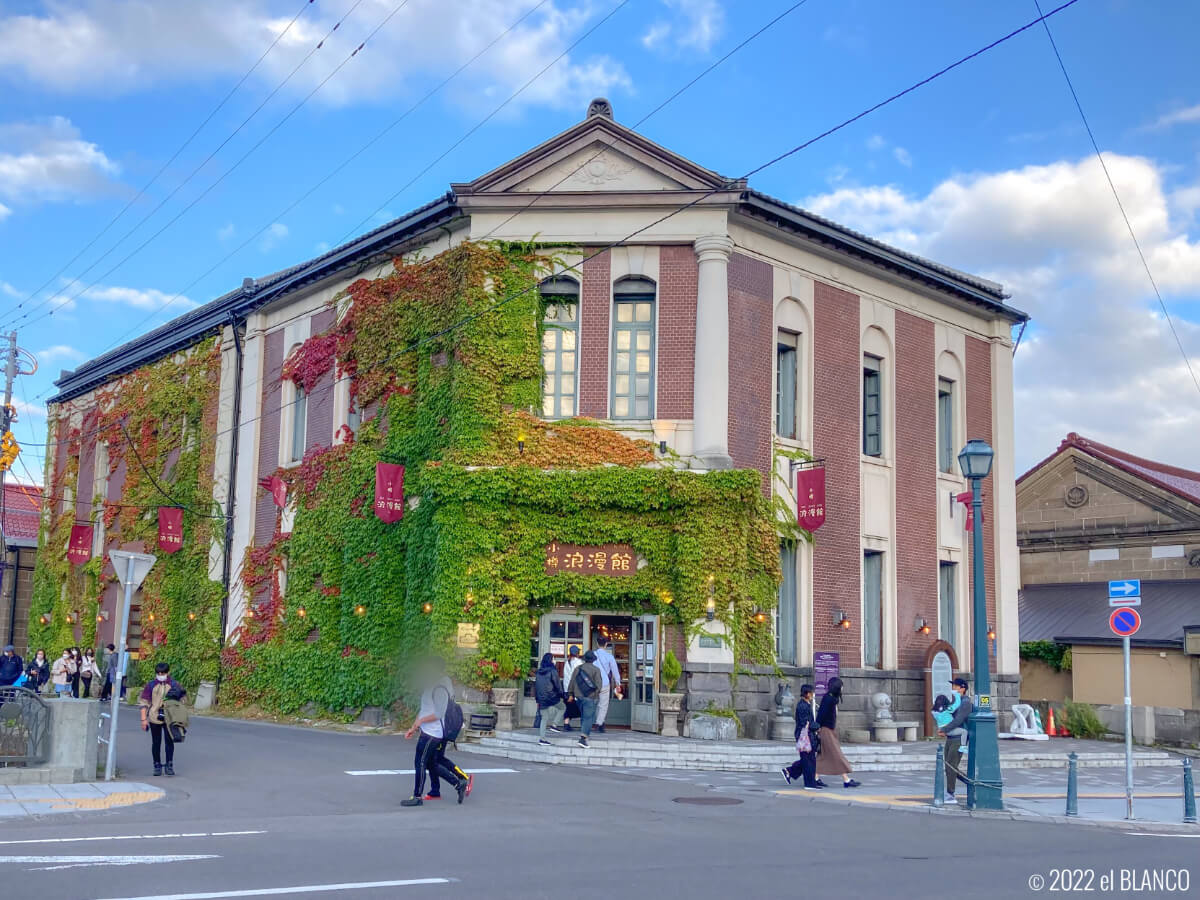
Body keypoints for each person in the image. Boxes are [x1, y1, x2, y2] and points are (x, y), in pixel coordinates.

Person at [401, 658, 468, 807]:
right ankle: (458, 783)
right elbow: (425, 708)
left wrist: (420, 721)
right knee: (431, 764)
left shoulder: (440, 688)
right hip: (427, 731)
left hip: (433, 733)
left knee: (420, 763)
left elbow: (438, 713)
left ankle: (417, 796)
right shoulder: (431, 686)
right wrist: (413, 727)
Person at [139, 662, 186, 776]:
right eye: (158, 673)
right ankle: (157, 765)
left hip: (170, 717)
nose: (160, 675)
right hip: (154, 717)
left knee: (169, 742)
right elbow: (144, 702)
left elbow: (183, 700)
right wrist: (144, 719)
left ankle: (169, 765)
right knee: (156, 742)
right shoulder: (151, 685)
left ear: (167, 672)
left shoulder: (174, 684)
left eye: (163, 673)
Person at [815, 677, 861, 788]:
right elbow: (821, 714)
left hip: (829, 729)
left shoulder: (832, 698)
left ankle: (814, 777)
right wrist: (817, 727)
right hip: (825, 730)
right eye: (841, 686)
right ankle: (846, 780)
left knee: (822, 756)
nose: (843, 688)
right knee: (836, 754)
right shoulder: (828, 699)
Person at [938, 678, 973, 804]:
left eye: (955, 686)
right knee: (949, 766)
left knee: (951, 766)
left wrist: (945, 729)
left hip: (959, 738)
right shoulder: (957, 701)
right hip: (952, 736)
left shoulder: (965, 703)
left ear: (962, 689)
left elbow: (959, 719)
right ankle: (971, 783)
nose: (953, 688)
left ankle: (951, 794)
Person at [781, 684, 821, 789]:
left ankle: (789, 772)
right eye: (811, 692)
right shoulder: (803, 706)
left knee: (808, 760)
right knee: (808, 760)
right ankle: (809, 783)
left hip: (807, 736)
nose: (813, 695)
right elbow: (806, 723)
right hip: (805, 737)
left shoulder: (806, 704)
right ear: (807, 693)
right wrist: (817, 727)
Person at [567, 650, 603, 749]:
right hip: (591, 697)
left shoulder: (578, 669)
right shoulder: (596, 670)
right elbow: (599, 686)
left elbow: (572, 682)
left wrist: (570, 693)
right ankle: (583, 738)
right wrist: (595, 694)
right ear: (593, 660)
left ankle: (585, 734)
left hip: (579, 697)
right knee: (588, 718)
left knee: (584, 716)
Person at [534, 653, 566, 745]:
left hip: (542, 698)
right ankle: (554, 724)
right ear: (551, 660)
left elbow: (536, 686)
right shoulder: (553, 671)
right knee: (562, 707)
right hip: (552, 696)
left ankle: (542, 739)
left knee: (544, 718)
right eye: (553, 659)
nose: (554, 660)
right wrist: (562, 694)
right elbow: (557, 685)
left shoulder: (539, 672)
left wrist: (537, 699)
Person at [592, 638, 621, 733]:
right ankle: (599, 723)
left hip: (593, 683)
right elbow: (615, 671)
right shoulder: (609, 657)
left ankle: (600, 722)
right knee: (603, 704)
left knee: (596, 703)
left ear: (597, 644)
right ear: (606, 644)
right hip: (604, 682)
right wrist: (618, 683)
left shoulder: (592, 655)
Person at [561, 645, 582, 731]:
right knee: (577, 707)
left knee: (568, 706)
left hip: (566, 688)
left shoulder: (567, 662)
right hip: (575, 689)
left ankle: (566, 724)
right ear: (577, 653)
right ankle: (582, 725)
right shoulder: (579, 662)